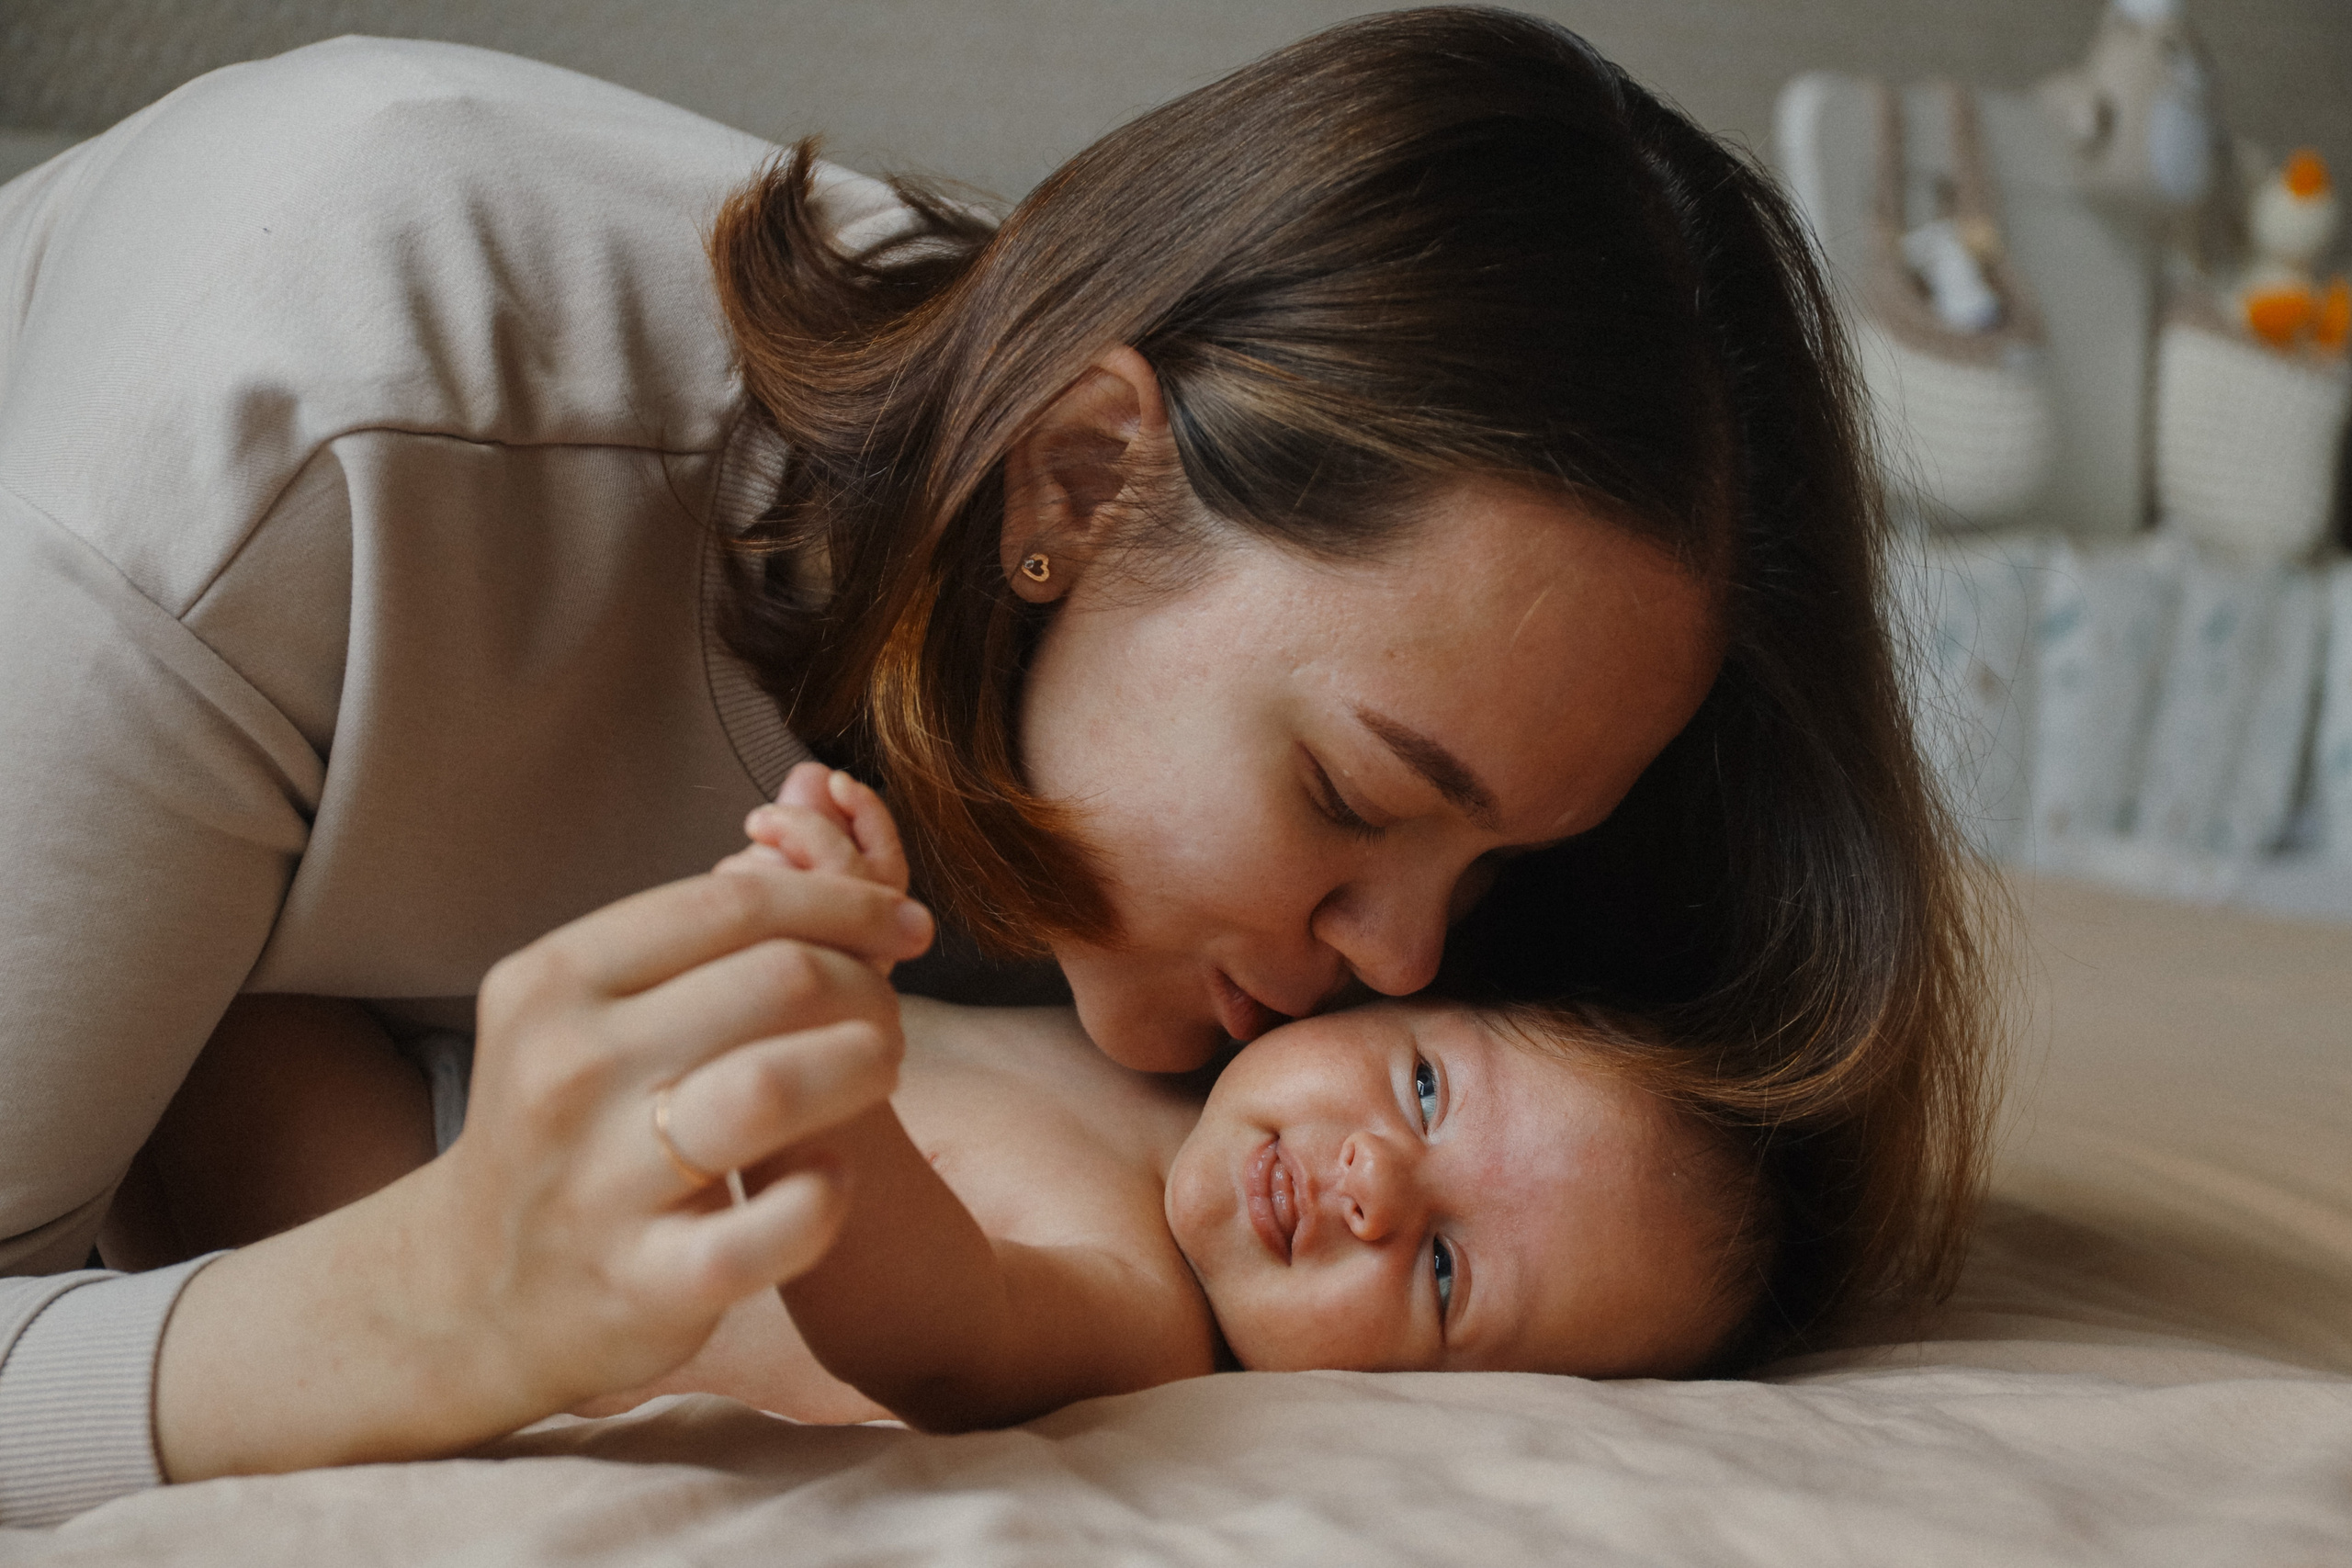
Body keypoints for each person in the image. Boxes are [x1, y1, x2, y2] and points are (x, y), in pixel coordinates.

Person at [0, 7, 1996, 1526]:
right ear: (1075, 482)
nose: (1403, 963)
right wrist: (434, 1297)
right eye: (1357, 802)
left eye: (1482, 884)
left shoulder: (1162, 717)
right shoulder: (283, 452)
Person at [130, 774, 1785, 1427]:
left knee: (193, 1030)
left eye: (1438, 1275)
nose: (1369, 1184)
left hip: (421, 1214)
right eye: (1422, 1089)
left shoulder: (1140, 1325)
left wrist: (828, 1110)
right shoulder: (1153, 1051)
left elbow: (935, 1326)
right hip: (495, 1068)